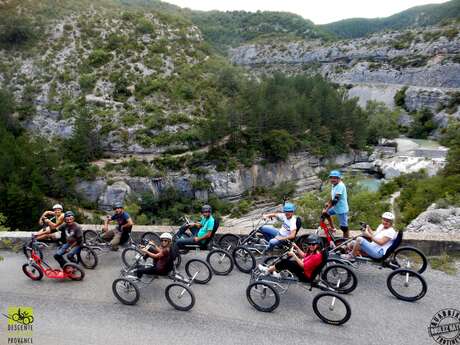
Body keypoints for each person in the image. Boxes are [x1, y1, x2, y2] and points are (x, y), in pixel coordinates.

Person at [259, 234, 324, 282]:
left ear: (317, 245)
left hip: (305, 276)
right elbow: (304, 256)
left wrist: (294, 255)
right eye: (310, 244)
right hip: (304, 269)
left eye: (313, 244)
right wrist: (297, 247)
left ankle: (267, 271)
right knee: (286, 262)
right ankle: (274, 270)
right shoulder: (315, 251)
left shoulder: (317, 256)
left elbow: (303, 266)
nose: (311, 246)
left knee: (286, 263)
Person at [322, 170, 350, 238]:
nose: (333, 179)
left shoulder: (340, 185)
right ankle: (333, 228)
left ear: (339, 178)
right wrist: (328, 203)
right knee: (326, 214)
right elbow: (333, 196)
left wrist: (327, 208)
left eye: (335, 178)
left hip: (341, 209)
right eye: (331, 178)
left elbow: (335, 200)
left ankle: (345, 240)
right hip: (336, 207)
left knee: (344, 227)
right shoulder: (334, 184)